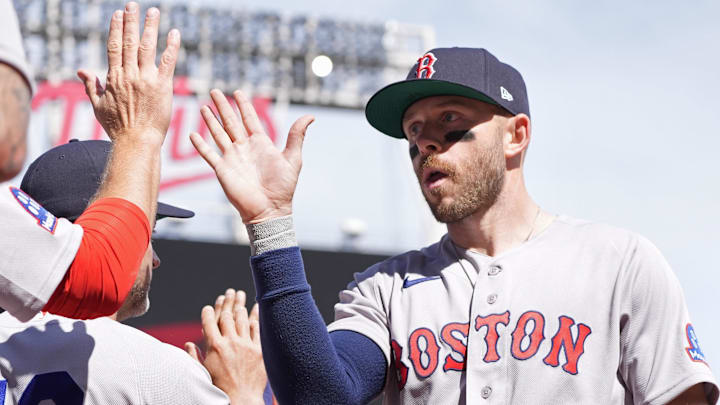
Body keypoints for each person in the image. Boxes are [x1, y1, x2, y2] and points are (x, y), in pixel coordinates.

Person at [191, 48, 719, 404]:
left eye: (451, 122)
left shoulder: (617, 262)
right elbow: (321, 397)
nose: (426, 144)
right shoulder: (386, 291)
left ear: (516, 136)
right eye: (415, 132)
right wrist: (270, 223)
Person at [0, 139, 232, 404]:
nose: (155, 260)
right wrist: (241, 390)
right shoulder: (155, 369)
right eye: (145, 233)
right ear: (106, 235)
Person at [0, 1, 181, 322]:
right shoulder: (162, 369)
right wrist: (138, 133)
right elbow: (101, 279)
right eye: (143, 231)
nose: (155, 259)